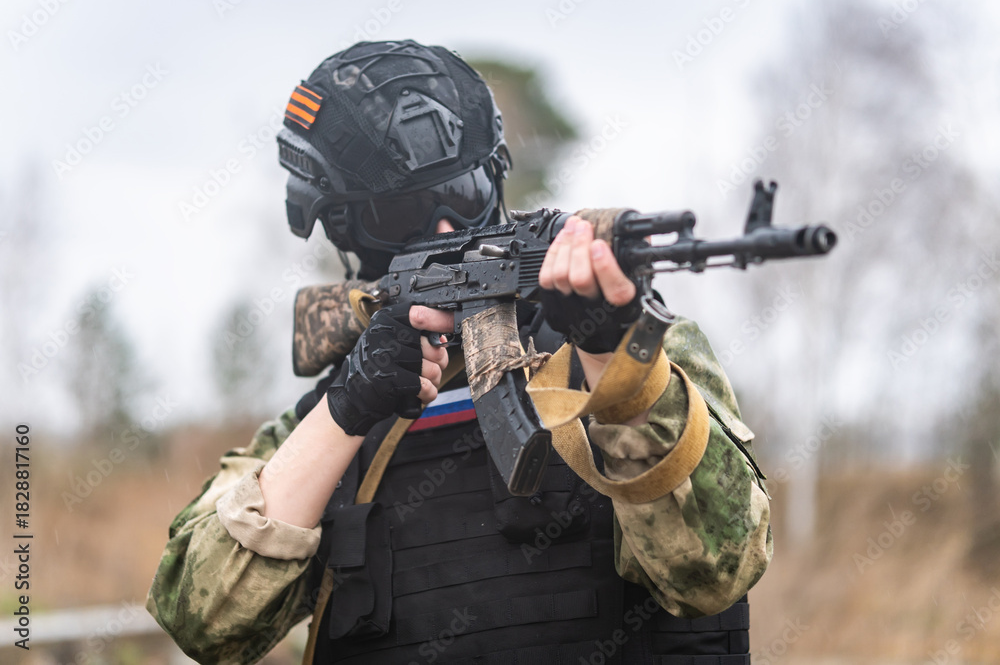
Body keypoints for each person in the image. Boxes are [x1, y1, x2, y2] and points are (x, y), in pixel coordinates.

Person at [147, 40, 772, 664]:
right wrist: (346, 410)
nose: (446, 229)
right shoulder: (331, 417)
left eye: (465, 194)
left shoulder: (643, 358)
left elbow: (716, 571)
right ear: (342, 229)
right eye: (402, 214)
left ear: (496, 182)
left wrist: (610, 356)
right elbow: (205, 624)